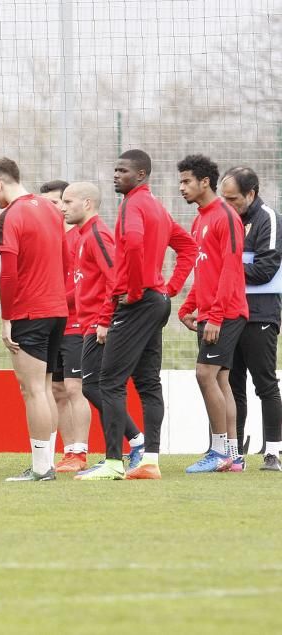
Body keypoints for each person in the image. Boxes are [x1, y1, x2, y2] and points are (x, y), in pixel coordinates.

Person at [75, 150, 196, 481]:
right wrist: (167, 289)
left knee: (109, 382)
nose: (116, 175)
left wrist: (137, 290)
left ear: (141, 175)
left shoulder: (133, 205)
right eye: (115, 169)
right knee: (147, 383)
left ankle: (114, 462)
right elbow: (188, 247)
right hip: (155, 301)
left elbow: (135, 244)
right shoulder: (157, 207)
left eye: (123, 170)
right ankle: (150, 460)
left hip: (138, 303)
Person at [0, 158, 66, 482]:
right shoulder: (50, 209)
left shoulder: (9, 215)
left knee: (33, 390)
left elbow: (8, 273)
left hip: (30, 311)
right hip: (57, 309)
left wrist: (7, 318)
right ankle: (46, 462)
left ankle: (42, 467)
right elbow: (65, 258)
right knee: (45, 387)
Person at [60, 182, 146, 469]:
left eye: (68, 202)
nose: (63, 207)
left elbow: (115, 279)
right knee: (93, 388)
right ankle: (131, 445)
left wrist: (105, 321)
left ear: (87, 204)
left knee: (96, 388)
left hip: (99, 324)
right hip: (89, 323)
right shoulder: (84, 236)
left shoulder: (98, 234)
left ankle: (132, 446)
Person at [177, 155, 248, 473]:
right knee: (221, 381)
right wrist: (189, 305)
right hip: (210, 310)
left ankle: (218, 451)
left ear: (205, 182)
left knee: (205, 375)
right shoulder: (199, 219)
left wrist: (216, 316)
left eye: (186, 181)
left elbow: (232, 269)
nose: (181, 187)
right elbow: (206, 269)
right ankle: (232, 455)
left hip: (228, 311)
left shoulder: (226, 216)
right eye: (181, 181)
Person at [220, 167, 282, 471]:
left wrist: (226, 268)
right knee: (232, 386)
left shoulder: (267, 218)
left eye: (233, 199)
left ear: (251, 194)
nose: (227, 205)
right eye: (224, 198)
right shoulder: (223, 219)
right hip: (230, 313)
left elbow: (266, 269)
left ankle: (273, 452)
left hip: (260, 313)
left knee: (265, 383)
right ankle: (234, 453)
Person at [39, 180, 91, 472]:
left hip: (76, 324)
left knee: (75, 387)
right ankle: (68, 452)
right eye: (45, 203)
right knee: (57, 388)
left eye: (56, 202)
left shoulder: (81, 237)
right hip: (53, 324)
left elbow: (81, 285)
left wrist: (54, 299)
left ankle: (80, 451)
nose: (52, 208)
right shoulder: (49, 238)